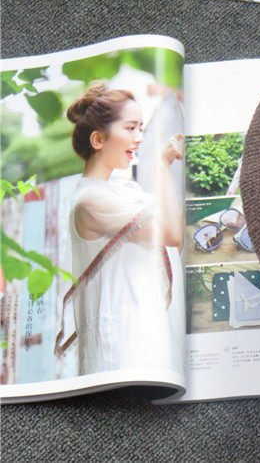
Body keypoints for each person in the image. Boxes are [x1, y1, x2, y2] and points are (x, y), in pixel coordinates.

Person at [59, 81, 184, 375]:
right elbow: (170, 234)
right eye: (130, 128)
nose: (139, 138)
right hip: (122, 349)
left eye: (141, 128)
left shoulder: (123, 192)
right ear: (98, 140)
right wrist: (160, 166)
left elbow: (171, 244)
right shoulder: (92, 199)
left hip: (139, 333)